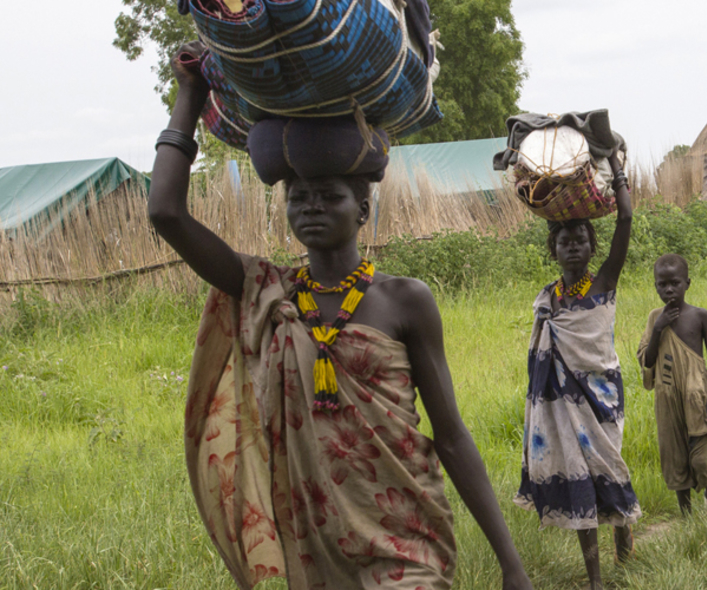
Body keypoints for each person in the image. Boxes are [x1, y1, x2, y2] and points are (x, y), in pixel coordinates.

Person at [148, 43, 532, 590]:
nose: (310, 207)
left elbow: (450, 436)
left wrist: (510, 562)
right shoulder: (267, 292)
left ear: (363, 208)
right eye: (297, 196)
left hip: (406, 540)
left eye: (328, 196)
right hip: (316, 550)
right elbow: (165, 211)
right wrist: (189, 96)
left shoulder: (404, 301)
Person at [514, 155, 639, 590]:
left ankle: (624, 533)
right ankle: (595, 579)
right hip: (562, 404)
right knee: (581, 480)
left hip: (602, 397)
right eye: (564, 239)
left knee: (612, 468)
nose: (572, 245)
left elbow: (624, 218)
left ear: (592, 247)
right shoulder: (547, 299)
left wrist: (617, 172)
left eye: (580, 239)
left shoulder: (604, 282)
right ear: (553, 249)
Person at [636, 254, 707, 516]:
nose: (668, 290)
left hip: (699, 395)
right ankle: (686, 516)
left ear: (687, 283)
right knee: (675, 456)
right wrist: (658, 329)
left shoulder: (700, 316)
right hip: (667, 398)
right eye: (661, 285)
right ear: (655, 286)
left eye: (674, 283)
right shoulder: (655, 318)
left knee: (700, 458)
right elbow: (648, 360)